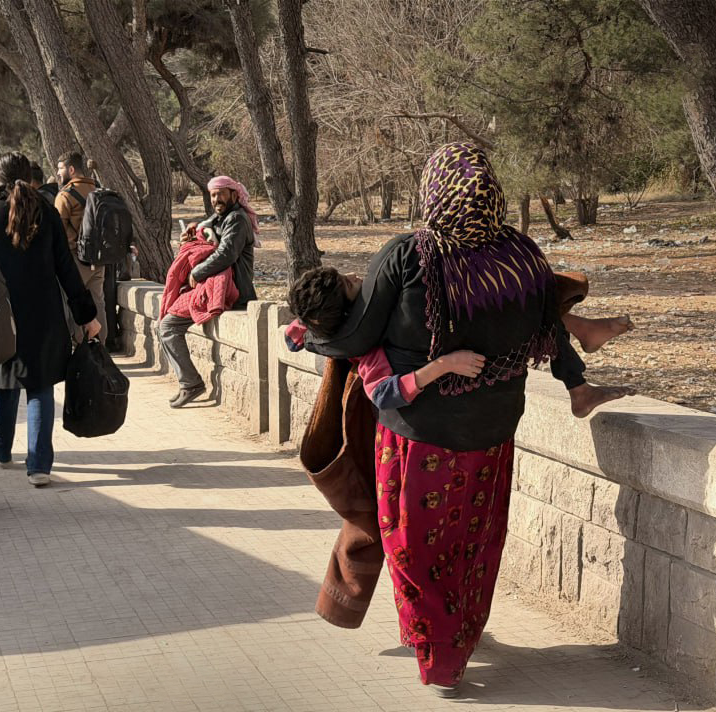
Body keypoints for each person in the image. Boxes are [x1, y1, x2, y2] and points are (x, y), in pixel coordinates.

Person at [300, 142, 603, 697]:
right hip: (491, 434)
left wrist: (310, 332)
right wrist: (575, 368)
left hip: (418, 436)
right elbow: (547, 329)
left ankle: (437, 653)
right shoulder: (524, 257)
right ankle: (457, 637)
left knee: (413, 543)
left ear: (433, 192)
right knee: (475, 540)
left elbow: (359, 335)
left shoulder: (410, 255)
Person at [288, 267, 635, 418]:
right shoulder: (366, 345)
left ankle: (581, 341)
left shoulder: (334, 323)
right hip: (451, 389)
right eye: (349, 286)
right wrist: (443, 366)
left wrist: (301, 332)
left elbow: (295, 334)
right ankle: (580, 359)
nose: (356, 278)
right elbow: (382, 393)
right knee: (515, 310)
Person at [0, 153, 100, 488]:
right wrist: (87, 316)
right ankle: (39, 465)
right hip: (44, 315)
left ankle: (0, 449)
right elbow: (67, 270)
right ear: (31, 178)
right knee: (40, 387)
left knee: (3, 380)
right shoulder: (47, 212)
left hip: (0, 317)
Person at [158, 175, 258, 408]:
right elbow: (204, 240)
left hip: (234, 291)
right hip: (212, 287)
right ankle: (189, 383)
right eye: (213, 195)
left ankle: (190, 384)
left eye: (221, 194)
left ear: (234, 194)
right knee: (165, 324)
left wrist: (197, 273)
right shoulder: (219, 218)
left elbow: (226, 254)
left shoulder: (237, 219)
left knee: (168, 326)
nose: (216, 199)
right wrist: (188, 241)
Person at [54, 152, 107, 342]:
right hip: (99, 258)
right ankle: (101, 346)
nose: (58, 173)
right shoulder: (98, 190)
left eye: (60, 168)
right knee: (98, 302)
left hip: (76, 257)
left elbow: (57, 231)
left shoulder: (65, 195)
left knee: (74, 301)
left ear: (71, 169)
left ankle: (80, 346)